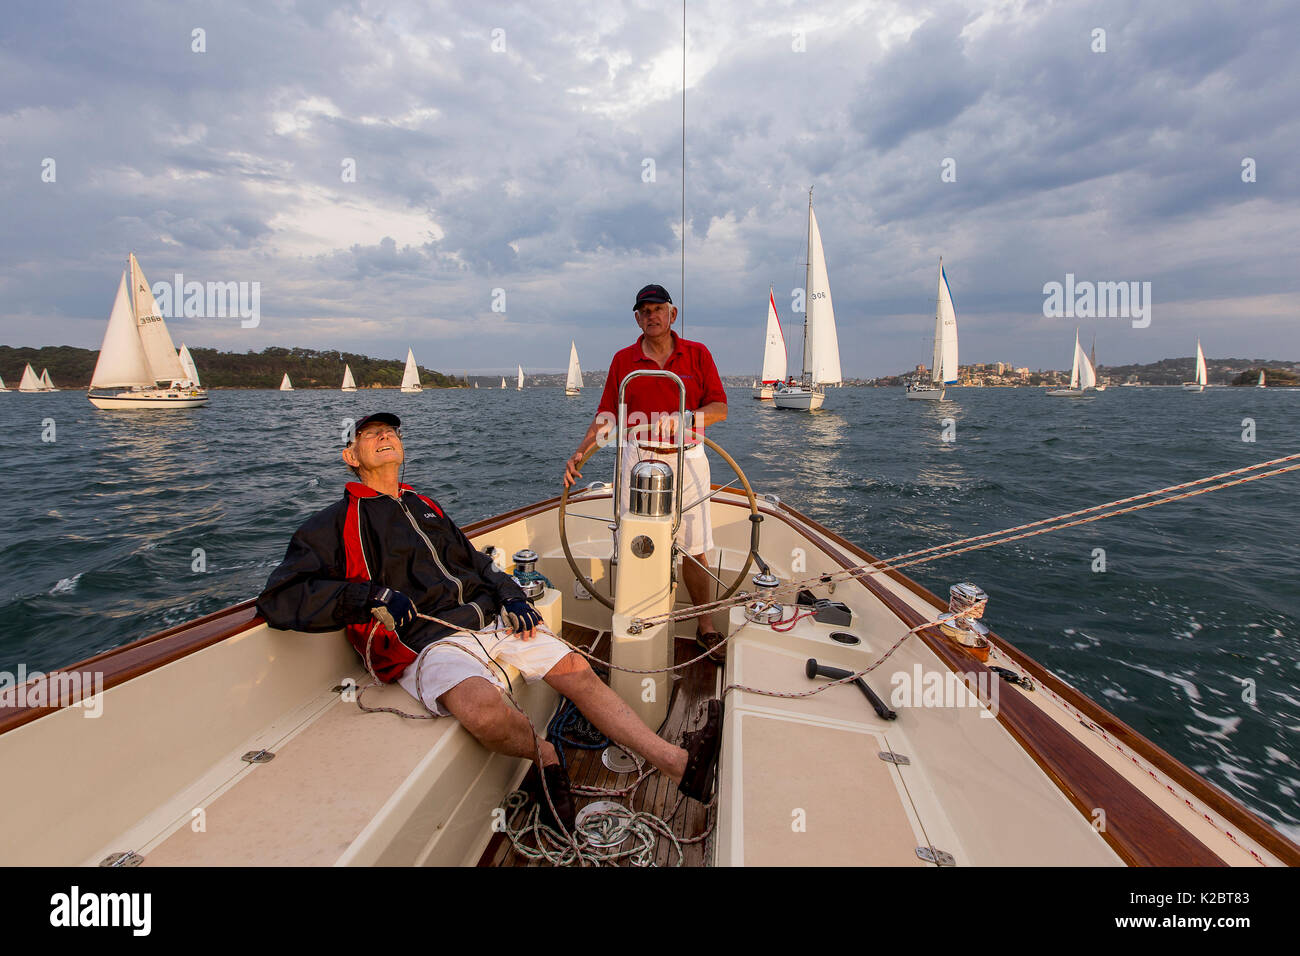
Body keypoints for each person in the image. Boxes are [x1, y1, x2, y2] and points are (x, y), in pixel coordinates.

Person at [256, 411, 721, 833]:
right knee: (482, 710)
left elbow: (477, 563)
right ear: (350, 455)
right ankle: (546, 755)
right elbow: (280, 598)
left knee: (576, 670)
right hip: (429, 642)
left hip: (492, 619)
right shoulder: (333, 524)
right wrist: (368, 595)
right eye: (371, 434)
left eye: (391, 432)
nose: (385, 437)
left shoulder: (426, 506)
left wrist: (512, 595)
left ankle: (681, 766)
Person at [563, 283, 729, 662]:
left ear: (673, 314)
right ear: (637, 318)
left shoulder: (698, 354)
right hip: (636, 458)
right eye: (644, 311)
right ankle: (635, 617)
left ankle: (705, 625)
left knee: (695, 547)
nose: (651, 315)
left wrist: (686, 418)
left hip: (686, 458)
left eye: (658, 309)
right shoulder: (623, 360)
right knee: (634, 540)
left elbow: (719, 407)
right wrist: (580, 452)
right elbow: (607, 417)